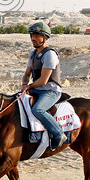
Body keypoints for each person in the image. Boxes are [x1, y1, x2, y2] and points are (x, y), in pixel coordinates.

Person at [20, 22, 67, 150]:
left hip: (50, 91)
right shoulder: (33, 54)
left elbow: (43, 81)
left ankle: (59, 133)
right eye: (32, 35)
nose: (33, 38)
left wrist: (29, 87)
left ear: (45, 37)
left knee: (38, 110)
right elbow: (26, 74)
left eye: (36, 36)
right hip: (37, 89)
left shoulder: (49, 55)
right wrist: (24, 84)